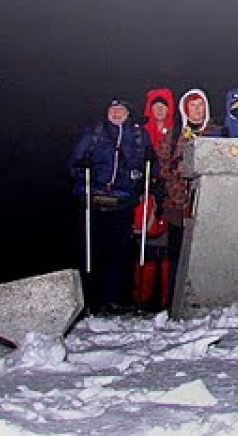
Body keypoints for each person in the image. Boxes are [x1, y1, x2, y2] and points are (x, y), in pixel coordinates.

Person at [69, 98, 150, 314]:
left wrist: (143, 178)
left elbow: (147, 164)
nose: (116, 113)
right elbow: (74, 162)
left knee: (119, 253)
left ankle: (114, 299)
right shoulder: (93, 134)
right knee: (92, 251)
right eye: (113, 109)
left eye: (121, 109)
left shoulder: (138, 136)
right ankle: (89, 299)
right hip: (93, 199)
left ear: (127, 112)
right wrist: (82, 171)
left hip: (122, 201)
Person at [132, 88, 181, 311]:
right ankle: (142, 297)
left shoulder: (176, 132)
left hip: (170, 197)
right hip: (146, 193)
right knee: (146, 244)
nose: (159, 110)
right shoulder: (141, 133)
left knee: (167, 248)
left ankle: (165, 299)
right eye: (155, 106)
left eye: (163, 106)